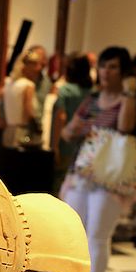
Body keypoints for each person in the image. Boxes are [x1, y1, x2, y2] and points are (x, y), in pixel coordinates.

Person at [60, 47, 136, 272]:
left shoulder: (127, 100)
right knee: (74, 231)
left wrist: (129, 92)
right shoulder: (91, 99)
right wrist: (77, 128)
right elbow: (68, 131)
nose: (106, 72)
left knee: (97, 237)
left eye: (113, 67)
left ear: (124, 72)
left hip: (110, 179)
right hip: (83, 173)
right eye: (104, 66)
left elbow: (126, 127)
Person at [51, 52, 94, 189]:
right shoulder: (93, 92)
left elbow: (60, 117)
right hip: (87, 147)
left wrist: (54, 146)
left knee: (60, 183)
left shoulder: (65, 90)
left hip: (66, 145)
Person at [0, 50, 41, 148]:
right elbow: (28, 110)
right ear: (27, 66)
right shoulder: (28, 85)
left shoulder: (9, 83)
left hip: (8, 131)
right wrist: (36, 128)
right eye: (35, 65)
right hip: (22, 133)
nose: (38, 69)